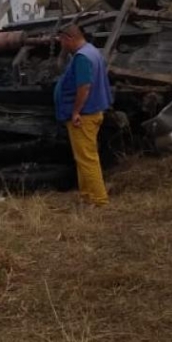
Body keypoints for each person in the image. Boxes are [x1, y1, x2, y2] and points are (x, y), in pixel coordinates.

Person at [54, 24, 114, 206]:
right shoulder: (93, 51)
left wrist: (75, 111)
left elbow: (84, 87)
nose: (62, 45)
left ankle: (99, 200)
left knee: (87, 159)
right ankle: (87, 195)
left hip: (84, 116)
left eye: (62, 41)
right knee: (84, 157)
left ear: (69, 38)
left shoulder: (82, 58)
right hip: (93, 111)